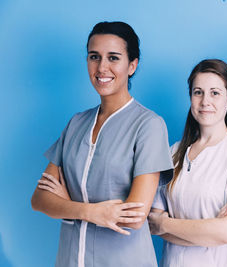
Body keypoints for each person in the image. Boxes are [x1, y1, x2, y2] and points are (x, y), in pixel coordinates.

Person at [31, 21, 173, 267]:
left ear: (132, 65)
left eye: (113, 58)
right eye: (94, 56)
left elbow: (134, 217)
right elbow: (40, 199)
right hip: (70, 259)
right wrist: (93, 212)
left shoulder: (149, 125)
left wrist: (65, 205)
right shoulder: (77, 123)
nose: (102, 67)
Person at [148, 59, 227, 267]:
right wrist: (209, 230)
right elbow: (152, 224)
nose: (205, 101)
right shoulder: (174, 153)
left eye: (215, 93)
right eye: (198, 92)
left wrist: (166, 223)